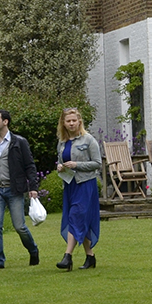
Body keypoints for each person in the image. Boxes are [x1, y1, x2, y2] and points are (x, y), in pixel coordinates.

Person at [0, 109, 41, 269]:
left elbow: (30, 165)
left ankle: (33, 250)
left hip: (14, 189)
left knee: (19, 226)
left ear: (5, 122)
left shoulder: (19, 142)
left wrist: (33, 187)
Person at [54, 107, 103, 270]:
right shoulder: (62, 142)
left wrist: (77, 165)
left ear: (79, 121)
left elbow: (97, 163)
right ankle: (90, 256)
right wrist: (60, 167)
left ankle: (67, 256)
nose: (71, 123)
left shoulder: (88, 139)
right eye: (68, 121)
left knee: (75, 216)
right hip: (70, 185)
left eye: (74, 120)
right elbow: (60, 160)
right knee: (80, 220)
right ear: (63, 123)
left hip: (85, 184)